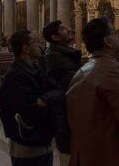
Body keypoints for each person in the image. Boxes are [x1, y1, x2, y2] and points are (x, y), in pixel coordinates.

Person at [67, 18, 119, 166]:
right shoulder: (111, 70)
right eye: (116, 33)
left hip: (89, 150)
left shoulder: (82, 71)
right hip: (111, 152)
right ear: (108, 41)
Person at [0, 29, 61, 166]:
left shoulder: (35, 69)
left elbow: (58, 90)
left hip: (43, 142)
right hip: (27, 145)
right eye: (36, 42)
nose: (40, 44)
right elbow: (30, 113)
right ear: (26, 48)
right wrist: (52, 106)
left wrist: (44, 100)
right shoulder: (15, 76)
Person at [41, 20, 80, 165]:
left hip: (71, 112)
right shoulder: (53, 57)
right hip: (65, 115)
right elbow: (69, 86)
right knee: (67, 154)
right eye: (63, 29)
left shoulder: (64, 53)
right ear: (55, 37)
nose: (70, 29)